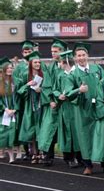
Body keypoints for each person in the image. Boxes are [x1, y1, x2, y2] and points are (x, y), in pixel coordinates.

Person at [65, 42, 104, 175]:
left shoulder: (97, 69)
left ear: (88, 55)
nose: (81, 58)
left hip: (98, 106)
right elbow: (68, 92)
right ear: (75, 58)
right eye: (78, 56)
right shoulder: (73, 74)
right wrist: (79, 90)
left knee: (101, 133)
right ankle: (88, 165)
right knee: (85, 136)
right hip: (82, 109)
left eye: (83, 55)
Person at [38, 38, 68, 166]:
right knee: (50, 129)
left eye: (55, 51)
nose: (53, 54)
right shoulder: (51, 67)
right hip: (54, 104)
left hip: (67, 103)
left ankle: (69, 158)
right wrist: (51, 100)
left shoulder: (68, 65)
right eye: (52, 51)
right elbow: (47, 86)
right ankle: (48, 156)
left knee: (67, 131)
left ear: (62, 52)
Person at [52, 50, 82, 169]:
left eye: (63, 62)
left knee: (77, 132)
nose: (62, 65)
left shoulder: (77, 74)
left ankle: (80, 158)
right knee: (67, 132)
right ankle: (68, 158)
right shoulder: (60, 75)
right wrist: (58, 95)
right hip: (65, 107)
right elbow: (54, 89)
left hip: (75, 106)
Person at [16, 51, 46, 162]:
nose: (37, 64)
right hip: (30, 106)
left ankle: (41, 152)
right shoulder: (25, 75)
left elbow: (49, 89)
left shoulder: (44, 74)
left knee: (41, 129)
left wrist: (41, 90)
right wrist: (27, 85)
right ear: (30, 64)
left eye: (39, 62)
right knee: (32, 129)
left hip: (41, 105)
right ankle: (34, 152)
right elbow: (19, 91)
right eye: (35, 62)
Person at [0, 58, 20, 163]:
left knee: (14, 133)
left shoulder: (16, 81)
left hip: (14, 112)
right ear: (3, 70)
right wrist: (6, 109)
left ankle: (17, 153)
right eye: (7, 68)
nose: (9, 69)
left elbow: (18, 97)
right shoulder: (0, 83)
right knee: (6, 135)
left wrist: (15, 109)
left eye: (11, 67)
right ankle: (11, 156)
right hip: (4, 113)